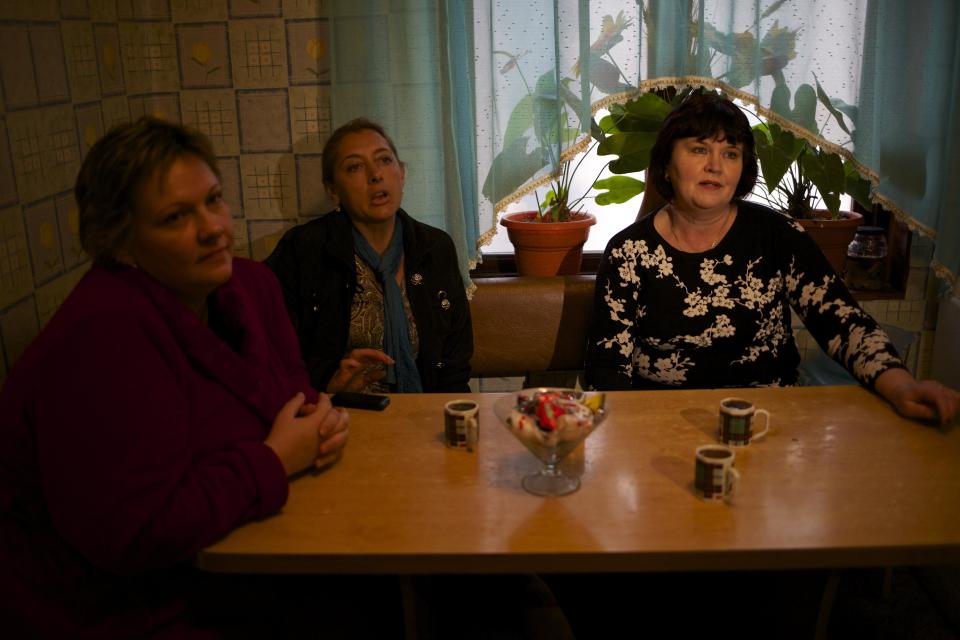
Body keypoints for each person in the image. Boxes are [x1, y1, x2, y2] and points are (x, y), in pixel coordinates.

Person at [0, 117, 357, 637]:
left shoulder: (251, 285)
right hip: (117, 609)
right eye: (175, 217)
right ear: (119, 244)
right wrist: (276, 459)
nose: (212, 228)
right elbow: (131, 533)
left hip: (243, 559)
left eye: (213, 200)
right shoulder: (104, 335)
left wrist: (320, 427)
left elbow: (296, 401)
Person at [584, 92, 958, 426]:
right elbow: (607, 370)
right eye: (699, 149)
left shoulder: (775, 234)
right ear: (666, 163)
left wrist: (901, 387)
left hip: (767, 422)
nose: (715, 165)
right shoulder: (628, 252)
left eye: (730, 153)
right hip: (660, 426)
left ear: (742, 169)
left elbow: (842, 323)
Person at [265, 118, 473, 394]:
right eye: (355, 167)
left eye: (384, 160)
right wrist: (329, 379)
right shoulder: (304, 249)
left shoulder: (434, 247)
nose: (375, 175)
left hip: (425, 415)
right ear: (333, 190)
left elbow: (454, 364)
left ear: (401, 173)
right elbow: (271, 352)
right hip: (337, 416)